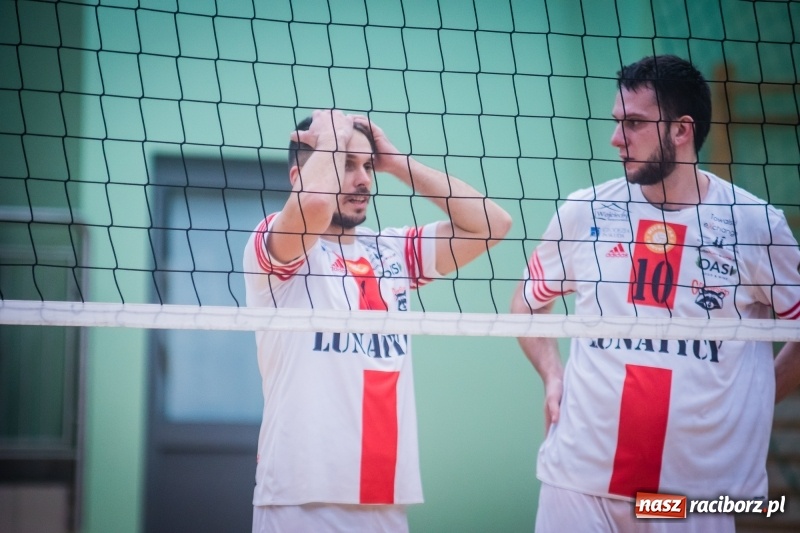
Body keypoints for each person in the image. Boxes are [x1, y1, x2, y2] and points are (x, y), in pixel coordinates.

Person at [510, 55, 800, 532]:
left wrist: (759, 397)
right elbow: (526, 302)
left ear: (681, 131)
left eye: (634, 123)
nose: (616, 138)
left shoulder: (755, 225)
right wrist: (552, 375)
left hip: (691, 495)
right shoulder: (586, 212)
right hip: (579, 479)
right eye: (617, 122)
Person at [244, 109, 511, 532]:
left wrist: (394, 162)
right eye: (346, 165)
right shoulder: (277, 243)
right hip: (300, 497)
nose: (364, 180)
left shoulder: (391, 251)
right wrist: (332, 135)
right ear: (300, 176)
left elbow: (492, 225)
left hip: (384, 497)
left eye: (367, 167)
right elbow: (312, 205)